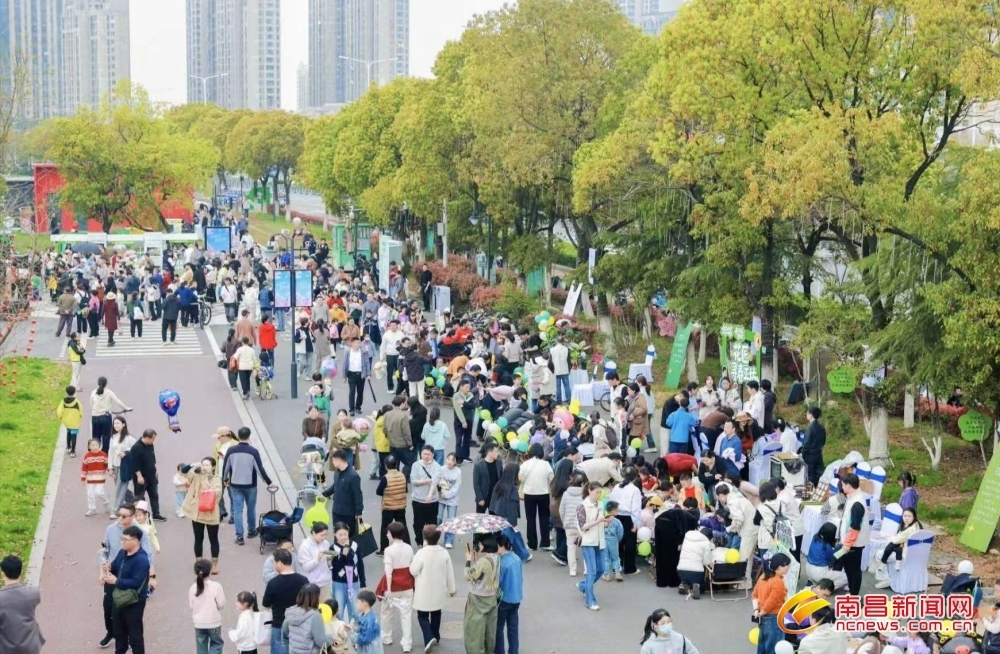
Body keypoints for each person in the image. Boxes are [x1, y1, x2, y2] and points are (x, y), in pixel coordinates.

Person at [99, 503, 156, 648]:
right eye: (118, 515)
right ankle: (113, 633)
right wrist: (106, 569)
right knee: (109, 610)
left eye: (123, 516)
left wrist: (153, 576)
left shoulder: (139, 535)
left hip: (131, 593)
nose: (119, 518)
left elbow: (138, 577)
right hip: (114, 580)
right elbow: (106, 553)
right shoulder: (115, 538)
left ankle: (132, 641)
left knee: (134, 627)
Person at [222, 426, 275, 545]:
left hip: (235, 484)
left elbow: (226, 467)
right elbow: (260, 469)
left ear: (238, 436)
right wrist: (269, 482)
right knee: (251, 509)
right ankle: (251, 531)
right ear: (249, 436)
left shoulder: (231, 450)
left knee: (237, 510)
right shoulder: (253, 451)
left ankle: (239, 536)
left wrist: (225, 479)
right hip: (250, 485)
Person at [104, 524, 151, 654]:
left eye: (125, 539)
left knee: (135, 636)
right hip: (119, 599)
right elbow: (114, 567)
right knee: (119, 634)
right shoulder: (122, 553)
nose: (122, 542)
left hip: (134, 602)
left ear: (135, 541)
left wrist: (116, 581)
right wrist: (108, 569)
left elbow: (136, 582)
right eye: (122, 539)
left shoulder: (142, 560)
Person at [410, 525, 456, 652]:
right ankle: (435, 635)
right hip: (439, 589)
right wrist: (452, 589)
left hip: (424, 590)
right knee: (436, 613)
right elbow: (449, 572)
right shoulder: (444, 552)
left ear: (425, 538)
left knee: (422, 616)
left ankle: (429, 637)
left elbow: (413, 570)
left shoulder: (421, 553)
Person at [181, 457, 224, 573]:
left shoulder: (216, 479)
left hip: (211, 513)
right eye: (203, 465)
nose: (204, 467)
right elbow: (183, 472)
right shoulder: (196, 475)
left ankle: (214, 565)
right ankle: (199, 563)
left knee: (213, 539)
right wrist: (191, 464)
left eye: (207, 465)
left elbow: (214, 493)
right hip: (197, 513)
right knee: (198, 538)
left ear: (213, 467)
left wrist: (203, 477)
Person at [263, 548, 310, 654]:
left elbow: (266, 604)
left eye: (274, 563)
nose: (274, 566)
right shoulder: (303, 580)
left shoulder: (273, 583)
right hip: (300, 624)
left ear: (279, 563)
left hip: (279, 624)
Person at [380, 521, 415, 653]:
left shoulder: (389, 550)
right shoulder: (409, 548)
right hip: (407, 585)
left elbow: (388, 572)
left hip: (393, 585)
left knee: (386, 612)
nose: (387, 534)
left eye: (388, 532)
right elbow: (412, 567)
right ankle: (407, 643)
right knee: (406, 615)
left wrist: (388, 589)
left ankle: (386, 636)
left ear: (392, 535)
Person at [463, 536, 500, 654]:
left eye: (479, 545)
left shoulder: (483, 562)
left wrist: (468, 560)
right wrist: (477, 559)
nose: (478, 547)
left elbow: (468, 576)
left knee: (474, 631)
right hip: (491, 596)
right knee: (489, 630)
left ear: (484, 546)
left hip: (478, 598)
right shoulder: (497, 558)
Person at [0, 554, 45, 654]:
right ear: (21, 572)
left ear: (3, 574)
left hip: (7, 648)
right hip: (31, 645)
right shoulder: (33, 593)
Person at [576, 482, 608, 611]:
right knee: (592, 571)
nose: (598, 495)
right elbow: (582, 526)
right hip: (588, 542)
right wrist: (598, 521)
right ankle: (590, 600)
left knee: (601, 569)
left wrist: (605, 522)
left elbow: (601, 523)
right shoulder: (582, 506)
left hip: (600, 541)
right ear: (589, 491)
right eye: (596, 492)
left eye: (600, 492)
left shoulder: (600, 504)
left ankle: (583, 586)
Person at [752, 553, 792, 654]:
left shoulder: (764, 576)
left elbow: (754, 595)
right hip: (775, 618)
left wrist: (757, 612)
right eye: (787, 565)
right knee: (774, 648)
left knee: (762, 646)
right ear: (780, 567)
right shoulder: (778, 582)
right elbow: (771, 603)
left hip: (763, 617)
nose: (788, 568)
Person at [837, 472, 869, 595]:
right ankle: (852, 591)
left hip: (854, 543)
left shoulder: (857, 503)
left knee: (853, 570)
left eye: (843, 485)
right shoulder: (853, 498)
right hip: (851, 542)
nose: (842, 487)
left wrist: (847, 544)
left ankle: (854, 595)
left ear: (849, 486)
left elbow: (855, 526)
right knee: (850, 569)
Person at [329, 522, 366, 626]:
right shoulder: (332, 548)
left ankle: (355, 636)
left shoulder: (355, 545)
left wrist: (363, 582)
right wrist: (342, 555)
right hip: (338, 582)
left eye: (345, 534)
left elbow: (360, 564)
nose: (343, 537)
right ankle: (341, 635)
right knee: (339, 611)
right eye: (340, 535)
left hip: (353, 582)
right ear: (335, 535)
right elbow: (334, 567)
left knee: (355, 610)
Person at [321, 449, 364, 538]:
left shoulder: (353, 476)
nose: (332, 462)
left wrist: (358, 511)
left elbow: (358, 495)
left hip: (348, 513)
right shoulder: (337, 472)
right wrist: (325, 494)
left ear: (339, 461)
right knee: (337, 535)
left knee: (348, 536)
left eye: (333, 460)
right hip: (336, 511)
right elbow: (335, 486)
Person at [282, 583, 334, 654]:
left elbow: (284, 633)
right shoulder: (315, 616)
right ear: (315, 598)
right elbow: (320, 641)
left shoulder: (292, 612)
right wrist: (331, 637)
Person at [609, 465, 642, 575]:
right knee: (630, 544)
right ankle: (629, 568)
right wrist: (636, 523)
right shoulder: (635, 490)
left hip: (616, 515)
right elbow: (636, 508)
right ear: (635, 477)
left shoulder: (616, 487)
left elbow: (611, 502)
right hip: (629, 518)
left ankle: (616, 567)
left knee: (617, 542)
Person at [189, 558, 226, 654]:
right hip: (213, 622)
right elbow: (221, 604)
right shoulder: (216, 586)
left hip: (199, 623)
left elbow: (191, 606)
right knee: (216, 644)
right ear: (209, 571)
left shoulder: (193, 588)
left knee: (201, 647)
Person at [495, 533, 524, 654]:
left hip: (504, 599)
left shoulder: (502, 562)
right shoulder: (517, 558)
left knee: (499, 627)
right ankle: (513, 651)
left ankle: (499, 651)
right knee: (513, 627)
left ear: (501, 547)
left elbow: (498, 582)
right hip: (516, 598)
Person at [375, 454, 410, 553]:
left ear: (386, 465)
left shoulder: (385, 478)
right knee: (403, 526)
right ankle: (407, 546)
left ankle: (383, 549)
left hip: (388, 507)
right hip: (401, 506)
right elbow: (405, 489)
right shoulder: (402, 475)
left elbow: (378, 492)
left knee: (385, 528)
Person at [130, 428, 166, 522]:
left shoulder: (150, 445)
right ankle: (141, 515)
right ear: (146, 437)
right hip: (141, 476)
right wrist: (139, 476)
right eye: (152, 439)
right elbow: (134, 463)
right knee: (140, 496)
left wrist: (155, 470)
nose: (153, 441)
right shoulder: (136, 447)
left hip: (151, 475)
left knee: (154, 494)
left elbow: (152, 457)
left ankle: (156, 514)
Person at [410, 445, 442, 547]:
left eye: (428, 454)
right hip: (418, 499)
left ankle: (430, 541)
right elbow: (413, 481)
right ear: (421, 454)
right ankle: (420, 540)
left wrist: (429, 495)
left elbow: (434, 482)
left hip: (432, 500)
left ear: (433, 455)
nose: (426, 456)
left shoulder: (437, 467)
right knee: (417, 523)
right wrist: (425, 481)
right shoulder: (416, 465)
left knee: (432, 523)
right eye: (424, 454)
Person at [91, 376, 131, 454]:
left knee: (96, 436)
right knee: (106, 436)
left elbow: (91, 404)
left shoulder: (93, 392)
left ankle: (95, 452)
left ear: (98, 383)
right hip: (106, 416)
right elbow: (118, 401)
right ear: (106, 384)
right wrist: (126, 408)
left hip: (95, 417)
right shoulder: (109, 392)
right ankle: (105, 454)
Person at [806, 523, 849, 590]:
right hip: (819, 573)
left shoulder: (815, 537)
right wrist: (842, 549)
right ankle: (825, 588)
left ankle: (814, 582)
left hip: (808, 568)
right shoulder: (826, 546)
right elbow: (832, 560)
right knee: (847, 577)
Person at [384, 395, 414, 474]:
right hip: (402, 444)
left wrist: (388, 436)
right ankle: (403, 477)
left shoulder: (387, 414)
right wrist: (410, 444)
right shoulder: (403, 416)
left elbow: (384, 429)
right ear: (402, 403)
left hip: (392, 443)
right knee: (409, 463)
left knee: (394, 464)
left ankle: (395, 478)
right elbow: (406, 432)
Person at [438, 453, 462, 548]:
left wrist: (447, 495)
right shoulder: (441, 469)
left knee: (451, 519)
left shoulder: (458, 472)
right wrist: (441, 493)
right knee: (438, 517)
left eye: (452, 460)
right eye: (448, 459)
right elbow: (438, 482)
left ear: (456, 462)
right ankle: (435, 537)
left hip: (452, 499)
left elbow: (456, 487)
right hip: (440, 498)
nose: (449, 461)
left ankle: (449, 540)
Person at [474, 440, 504, 514]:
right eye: (496, 451)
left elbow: (501, 478)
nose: (498, 453)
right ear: (490, 453)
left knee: (494, 520)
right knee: (480, 520)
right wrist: (480, 498)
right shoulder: (478, 465)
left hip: (495, 498)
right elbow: (476, 484)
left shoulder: (499, 463)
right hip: (483, 497)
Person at [349, 590, 384, 654]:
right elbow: (363, 628)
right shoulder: (367, 615)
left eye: (358, 602)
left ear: (364, 604)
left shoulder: (369, 620)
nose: (356, 604)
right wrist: (355, 628)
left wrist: (352, 632)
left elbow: (364, 639)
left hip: (370, 650)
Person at [452, 378, 477, 464]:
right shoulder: (456, 396)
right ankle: (458, 458)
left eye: (469, 387)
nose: (468, 389)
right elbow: (458, 410)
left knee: (467, 439)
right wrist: (463, 421)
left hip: (469, 420)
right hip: (459, 421)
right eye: (466, 387)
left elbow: (473, 405)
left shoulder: (470, 395)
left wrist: (463, 403)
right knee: (459, 440)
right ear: (461, 387)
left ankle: (466, 456)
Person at [345, 338, 372, 416]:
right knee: (352, 392)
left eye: (359, 343)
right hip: (351, 374)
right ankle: (351, 409)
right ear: (352, 344)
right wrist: (344, 376)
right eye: (356, 343)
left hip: (361, 374)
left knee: (360, 392)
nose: (358, 345)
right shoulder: (348, 352)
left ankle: (358, 407)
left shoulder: (363, 352)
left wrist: (368, 374)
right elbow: (345, 364)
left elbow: (367, 363)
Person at [801, 406, 827, 486]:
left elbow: (807, 442)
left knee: (810, 476)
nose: (806, 414)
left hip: (810, 455)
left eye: (808, 413)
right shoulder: (821, 427)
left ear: (811, 415)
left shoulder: (810, 427)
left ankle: (810, 492)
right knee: (818, 474)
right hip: (818, 453)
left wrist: (802, 453)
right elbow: (823, 441)